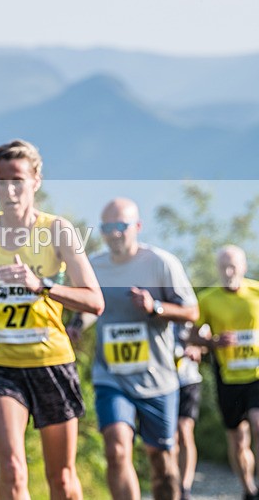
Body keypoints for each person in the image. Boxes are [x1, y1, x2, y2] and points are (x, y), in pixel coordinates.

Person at [0, 140, 104, 500]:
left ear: (36, 181)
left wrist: (42, 285)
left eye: (18, 179)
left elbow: (94, 302)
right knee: (13, 469)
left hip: (51, 361)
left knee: (63, 478)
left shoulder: (58, 231)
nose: (10, 189)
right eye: (1, 181)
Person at [75, 198, 199, 500]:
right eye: (107, 228)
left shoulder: (161, 263)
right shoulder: (95, 265)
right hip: (111, 376)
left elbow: (191, 312)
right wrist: (78, 325)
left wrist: (154, 306)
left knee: (161, 459)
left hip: (157, 378)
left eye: (121, 227)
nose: (114, 234)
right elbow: (93, 307)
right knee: (117, 449)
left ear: (138, 227)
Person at [196, 245, 259, 500]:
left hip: (257, 374)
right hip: (228, 377)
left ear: (243, 267)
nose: (228, 271)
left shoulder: (256, 291)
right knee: (238, 438)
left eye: (233, 266)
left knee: (258, 423)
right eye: (223, 266)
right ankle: (248, 489)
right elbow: (193, 335)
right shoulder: (207, 299)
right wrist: (213, 342)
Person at [174, 321, 206, 500]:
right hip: (161, 381)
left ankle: (184, 488)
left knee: (185, 430)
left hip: (188, 380)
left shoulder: (191, 309)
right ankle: (172, 482)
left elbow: (206, 341)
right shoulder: (154, 305)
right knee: (171, 437)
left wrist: (197, 348)